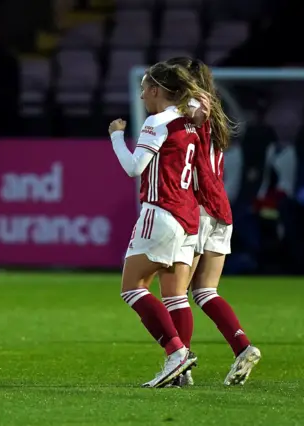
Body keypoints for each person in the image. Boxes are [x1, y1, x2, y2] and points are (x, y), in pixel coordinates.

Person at [165, 57, 261, 386]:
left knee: (175, 293)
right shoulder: (217, 113)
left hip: (196, 208)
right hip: (221, 210)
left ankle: (180, 367)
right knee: (205, 291)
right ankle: (242, 346)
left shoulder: (191, 108)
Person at [109, 62, 205, 388]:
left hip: (161, 211)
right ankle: (183, 371)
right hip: (189, 215)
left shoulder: (157, 121)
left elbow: (135, 168)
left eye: (143, 90)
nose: (141, 96)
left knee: (132, 287)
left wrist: (117, 137)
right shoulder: (189, 124)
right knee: (176, 296)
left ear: (155, 90)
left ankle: (176, 352)